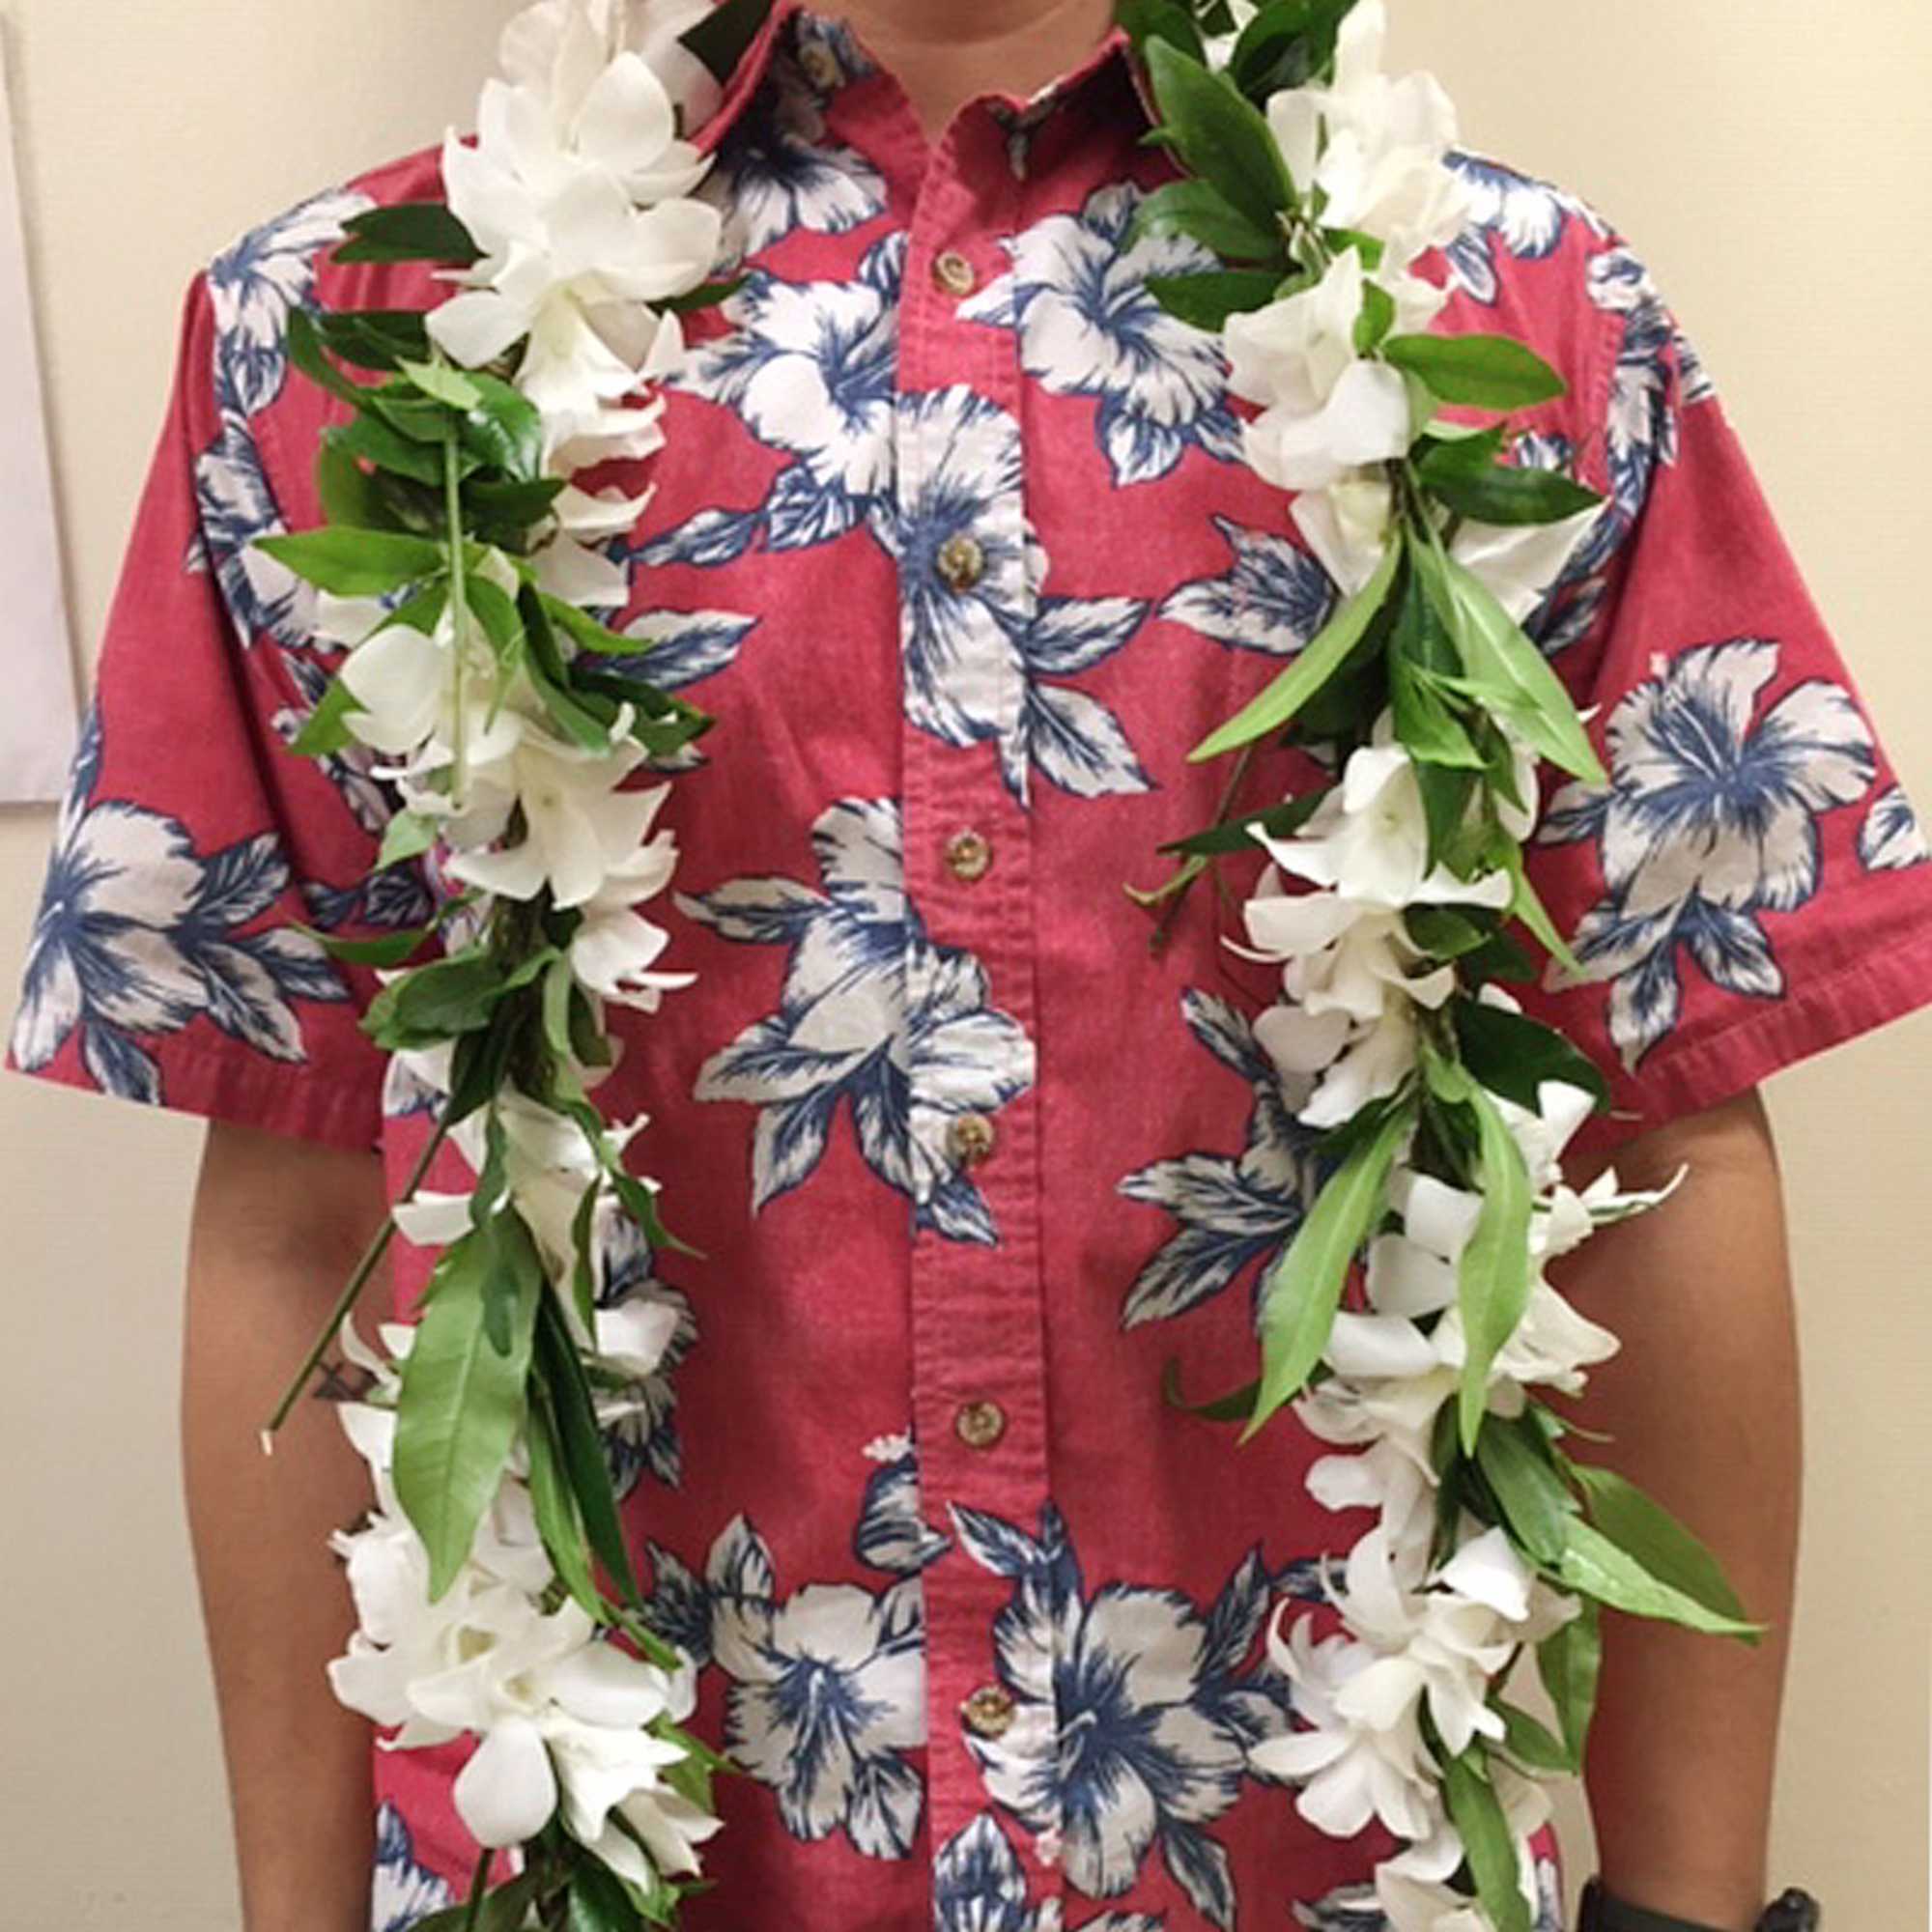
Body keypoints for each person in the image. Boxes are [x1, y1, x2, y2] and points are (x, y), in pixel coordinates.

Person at [8, 2, 1931, 1928]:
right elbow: (302, 1192)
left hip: (1314, 1853)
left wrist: (1682, 1909)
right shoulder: (346, 346)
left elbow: (1663, 1117)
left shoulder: (1510, 321)